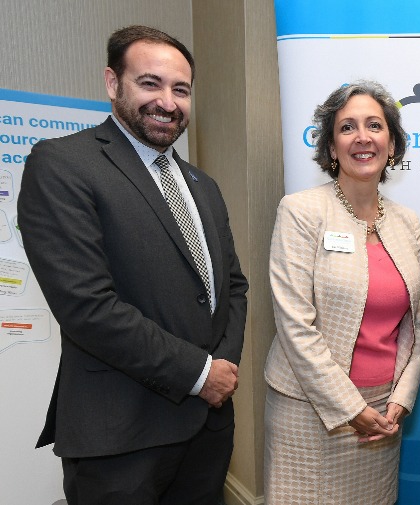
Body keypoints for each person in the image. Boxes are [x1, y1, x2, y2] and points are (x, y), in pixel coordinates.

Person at [17, 25, 248, 504]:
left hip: (207, 429)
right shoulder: (63, 164)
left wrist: (222, 366)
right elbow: (87, 307)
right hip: (121, 434)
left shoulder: (202, 184)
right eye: (150, 83)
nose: (167, 101)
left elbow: (231, 287)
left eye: (180, 89)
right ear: (112, 82)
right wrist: (202, 374)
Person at [263, 80, 420, 504]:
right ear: (332, 148)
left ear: (392, 144)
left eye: (375, 125)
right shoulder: (301, 211)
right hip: (310, 412)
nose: (362, 137)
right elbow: (295, 325)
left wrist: (402, 401)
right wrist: (350, 409)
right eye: (347, 127)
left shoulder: (408, 223)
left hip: (382, 414)